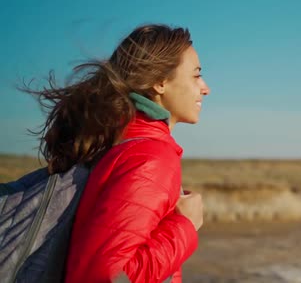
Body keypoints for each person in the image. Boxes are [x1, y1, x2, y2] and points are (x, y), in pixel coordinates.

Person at [22, 24, 209, 282]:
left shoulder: (122, 142)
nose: (205, 88)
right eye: (196, 75)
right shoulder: (150, 157)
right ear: (159, 82)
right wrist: (184, 226)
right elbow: (105, 277)